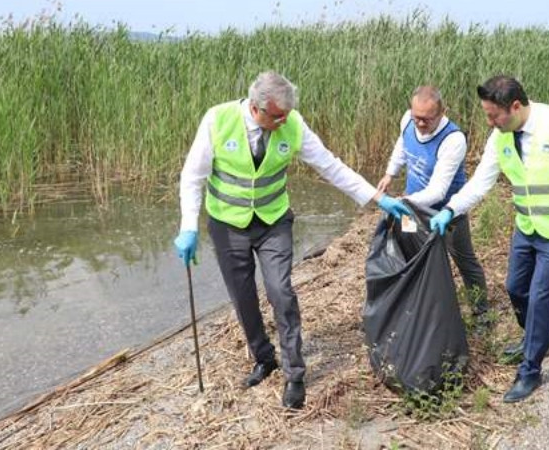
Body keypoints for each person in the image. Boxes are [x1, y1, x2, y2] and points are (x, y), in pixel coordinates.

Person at [173, 71, 411, 410]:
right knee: (242, 298)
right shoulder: (218, 119)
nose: (284, 120)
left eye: (287, 114)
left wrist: (376, 197)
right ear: (256, 108)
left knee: (280, 291)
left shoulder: (293, 124)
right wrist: (188, 227)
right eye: (277, 116)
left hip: (273, 222)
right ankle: (264, 357)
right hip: (227, 225)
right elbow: (192, 177)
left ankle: (294, 374)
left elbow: (330, 166)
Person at [430, 75, 549, 403]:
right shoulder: (500, 136)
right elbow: (479, 184)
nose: (489, 122)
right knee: (516, 289)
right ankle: (535, 333)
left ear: (515, 106)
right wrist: (450, 209)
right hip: (527, 227)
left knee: (541, 298)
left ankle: (530, 369)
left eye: (493, 115)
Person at [377, 86, 489, 321]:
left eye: (427, 119)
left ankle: (481, 313)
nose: (420, 123)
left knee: (464, 260)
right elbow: (402, 146)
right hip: (411, 211)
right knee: (413, 255)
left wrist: (401, 201)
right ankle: (419, 309)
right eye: (417, 117)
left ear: (442, 113)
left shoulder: (453, 139)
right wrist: (390, 174)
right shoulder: (408, 120)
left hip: (448, 212)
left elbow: (438, 191)